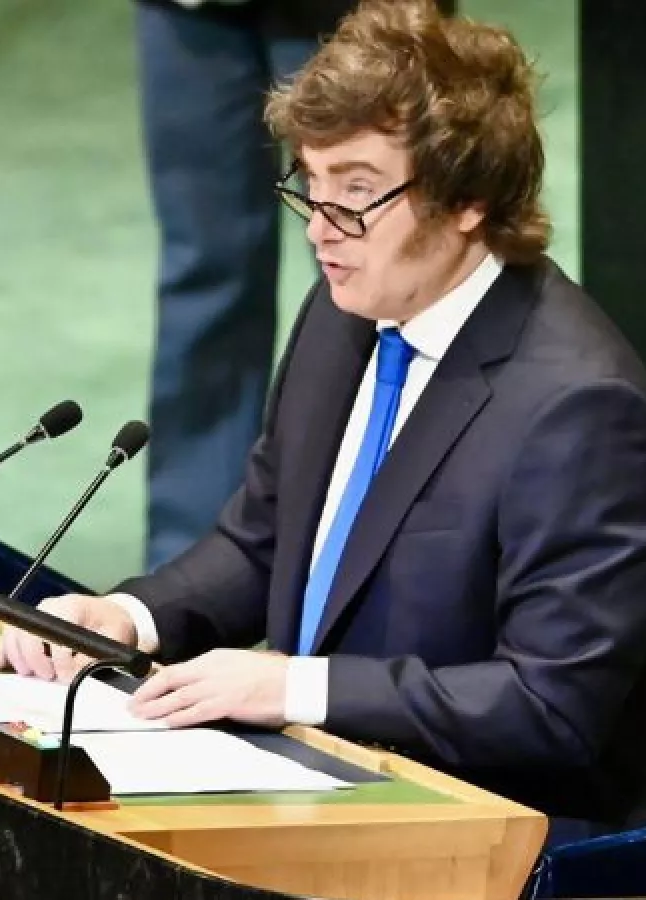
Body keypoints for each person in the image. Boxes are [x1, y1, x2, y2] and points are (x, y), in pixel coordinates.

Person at [0, 0, 646, 871]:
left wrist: (296, 687)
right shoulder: (343, 313)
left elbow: (550, 704)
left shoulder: (580, 408)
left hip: (507, 856)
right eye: (311, 184)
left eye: (357, 192)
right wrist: (126, 617)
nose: (321, 226)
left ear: (468, 198)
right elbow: (263, 542)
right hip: (335, 808)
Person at [136, 0, 452, 570]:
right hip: (191, 13)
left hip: (351, 9)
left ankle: (397, 550)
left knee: (379, 265)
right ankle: (189, 572)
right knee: (203, 279)